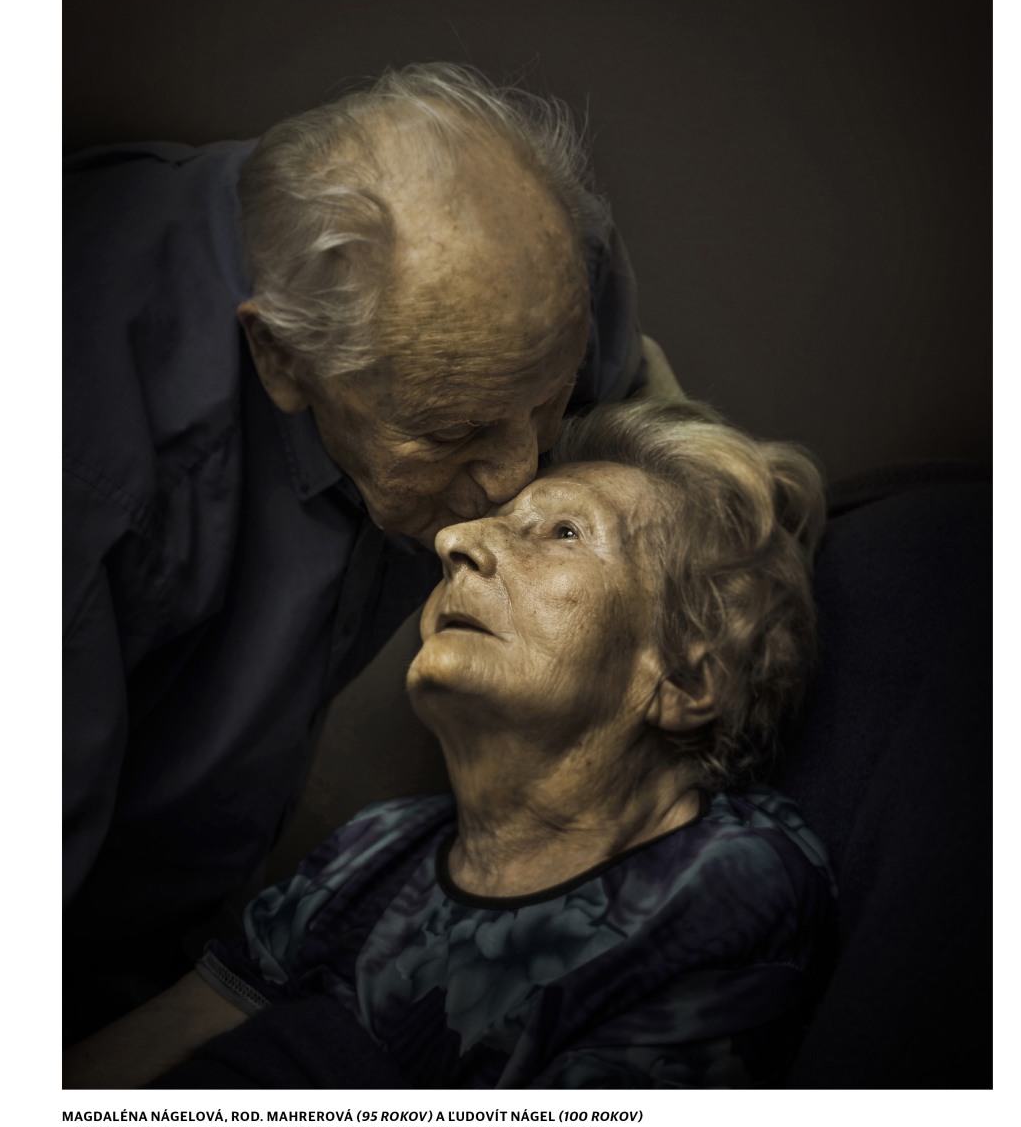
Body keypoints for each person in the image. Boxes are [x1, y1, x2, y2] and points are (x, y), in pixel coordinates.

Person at [64, 63, 675, 1041]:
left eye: (546, 407)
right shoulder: (85, 459)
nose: (517, 480)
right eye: (452, 433)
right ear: (282, 358)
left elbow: (664, 470)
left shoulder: (552, 274)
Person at [63, 399, 836, 1090]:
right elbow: (139, 1056)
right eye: (489, 524)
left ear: (685, 678)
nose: (455, 539)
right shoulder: (374, 845)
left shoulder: (725, 883)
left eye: (563, 533)